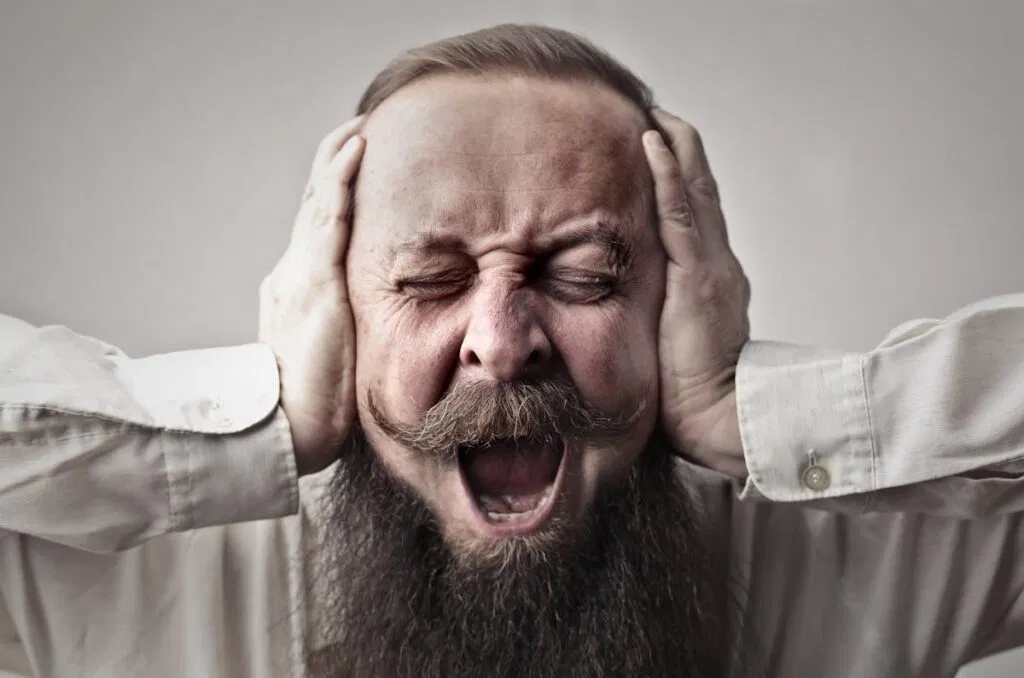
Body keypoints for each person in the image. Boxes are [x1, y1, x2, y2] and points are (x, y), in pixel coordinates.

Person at [1, 23, 1023, 678]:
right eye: (428, 280)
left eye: (582, 276)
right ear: (335, 313)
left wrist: (760, 417)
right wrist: (252, 430)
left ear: (677, 304)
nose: (500, 343)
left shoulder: (877, 562)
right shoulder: (113, 572)